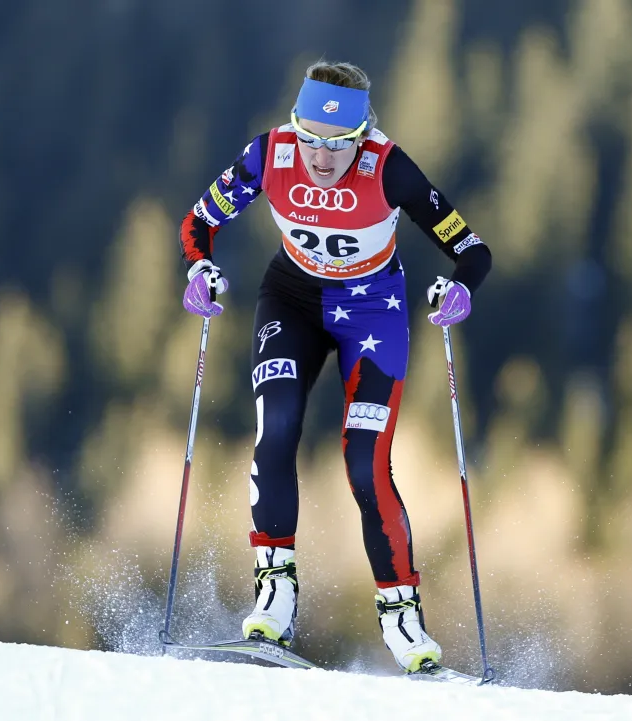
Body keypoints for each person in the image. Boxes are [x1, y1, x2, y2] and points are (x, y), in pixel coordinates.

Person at [175, 60, 492, 673]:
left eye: (338, 145)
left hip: (374, 311)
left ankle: (404, 624)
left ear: (363, 136)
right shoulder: (269, 155)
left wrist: (460, 290)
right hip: (290, 299)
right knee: (277, 432)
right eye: (311, 140)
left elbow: (471, 249)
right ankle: (275, 600)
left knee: (365, 464)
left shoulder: (390, 168)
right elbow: (198, 222)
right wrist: (199, 270)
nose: (321, 158)